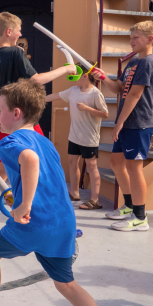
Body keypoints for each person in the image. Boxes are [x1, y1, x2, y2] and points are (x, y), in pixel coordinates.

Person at [0, 79, 121, 306]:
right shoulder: (45, 142)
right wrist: (20, 193)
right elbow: (44, 175)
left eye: (0, 110)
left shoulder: (8, 143)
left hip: (32, 223)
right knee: (67, 284)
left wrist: (23, 205)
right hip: (62, 222)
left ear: (16, 113)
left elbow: (29, 161)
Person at [0, 12, 77, 230]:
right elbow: (35, 80)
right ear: (9, 32)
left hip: (3, 118)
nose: (21, 34)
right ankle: (54, 218)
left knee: (1, 169)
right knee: (45, 163)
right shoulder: (16, 52)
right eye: (19, 30)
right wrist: (67, 69)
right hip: (23, 120)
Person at [91, 21, 153, 232]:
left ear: (150, 39)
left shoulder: (148, 62)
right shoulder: (132, 63)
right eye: (130, 38)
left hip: (138, 123)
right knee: (116, 161)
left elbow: (135, 94)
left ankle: (140, 217)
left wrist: (118, 122)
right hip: (128, 122)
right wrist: (102, 77)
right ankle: (129, 205)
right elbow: (119, 88)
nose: (131, 42)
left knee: (134, 167)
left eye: (136, 38)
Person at [46, 65, 109, 209]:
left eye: (76, 75)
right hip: (74, 135)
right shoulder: (73, 91)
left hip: (89, 137)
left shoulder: (95, 93)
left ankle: (95, 200)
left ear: (85, 76)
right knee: (72, 162)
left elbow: (105, 114)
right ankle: (74, 193)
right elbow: (54, 96)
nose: (73, 78)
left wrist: (87, 109)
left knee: (92, 166)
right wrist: (36, 99)